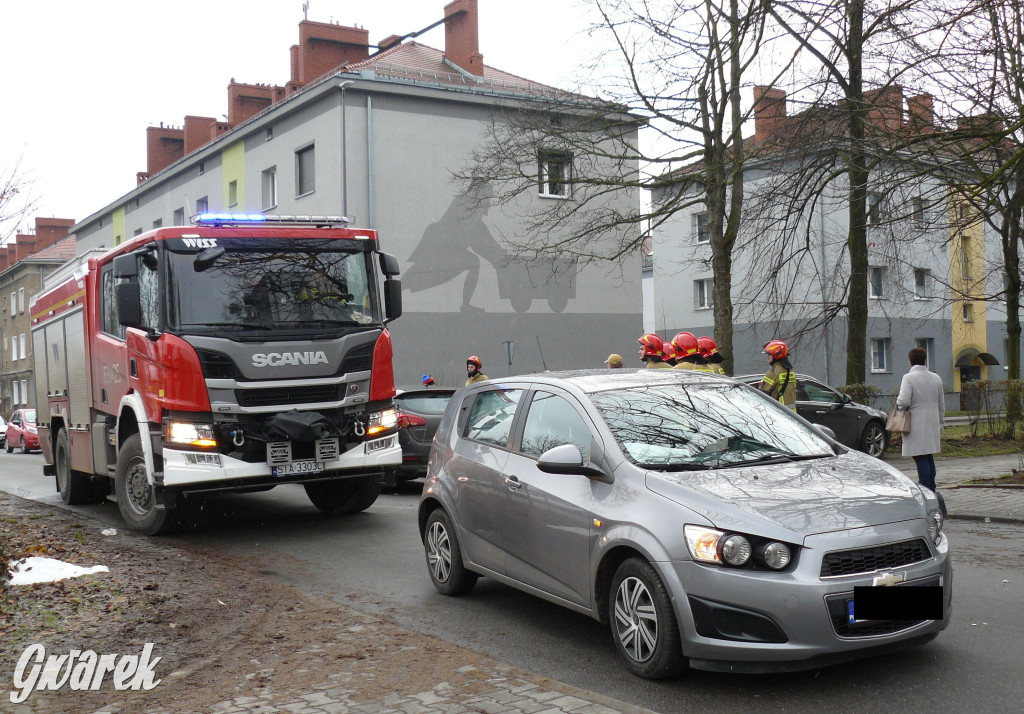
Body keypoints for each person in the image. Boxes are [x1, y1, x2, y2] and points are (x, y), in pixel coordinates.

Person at [897, 347, 946, 514]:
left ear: (910, 361)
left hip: (916, 424)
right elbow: (941, 403)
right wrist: (940, 421)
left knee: (920, 458)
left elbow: (903, 402)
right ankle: (931, 488)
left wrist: (898, 403)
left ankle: (926, 492)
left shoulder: (908, 377)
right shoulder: (935, 378)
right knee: (928, 456)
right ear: (925, 360)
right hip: (932, 423)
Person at [761, 339, 796, 410]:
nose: (767, 356)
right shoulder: (790, 370)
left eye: (769, 354)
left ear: (776, 355)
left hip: (778, 413)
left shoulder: (773, 371)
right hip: (792, 414)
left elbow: (763, 393)